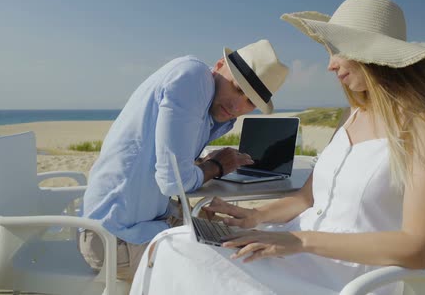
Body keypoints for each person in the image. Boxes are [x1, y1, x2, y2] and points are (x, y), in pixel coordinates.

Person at [129, 0, 425, 294]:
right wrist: (253, 216)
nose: (330, 64)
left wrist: (296, 241)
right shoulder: (351, 116)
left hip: (346, 275)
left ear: (372, 53)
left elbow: (418, 247)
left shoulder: (421, 123)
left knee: (182, 254)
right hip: (299, 251)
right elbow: (308, 198)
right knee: (174, 242)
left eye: (337, 51)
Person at [80, 39, 289, 282]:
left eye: (250, 102)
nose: (236, 106)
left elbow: (170, 165)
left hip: (142, 225)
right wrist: (217, 166)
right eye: (237, 88)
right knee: (242, 267)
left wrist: (204, 164)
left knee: (251, 238)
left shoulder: (208, 103)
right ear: (219, 65)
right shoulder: (193, 77)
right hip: (114, 241)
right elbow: (172, 182)